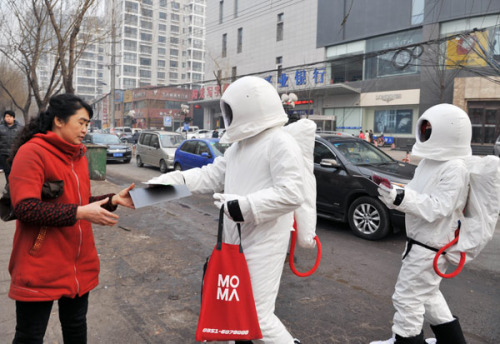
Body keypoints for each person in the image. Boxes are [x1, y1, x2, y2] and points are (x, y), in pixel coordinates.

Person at [147, 76, 306, 344]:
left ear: (249, 107)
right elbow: (208, 176)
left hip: (265, 240)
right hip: (235, 240)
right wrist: (153, 189)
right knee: (233, 310)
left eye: (231, 111)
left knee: (257, 316)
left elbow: (292, 193)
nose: (228, 117)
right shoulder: (239, 147)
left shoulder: (280, 142)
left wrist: (243, 206)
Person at [7, 93, 135, 344]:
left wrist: (112, 200)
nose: (85, 129)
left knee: (76, 328)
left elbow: (79, 203)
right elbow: (25, 208)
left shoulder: (78, 155)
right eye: (81, 122)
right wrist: (79, 212)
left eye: (88, 124)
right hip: (40, 262)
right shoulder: (32, 152)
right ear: (59, 121)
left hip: (78, 262)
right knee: (30, 336)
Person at [372, 104, 471, 344]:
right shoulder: (430, 162)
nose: (424, 133)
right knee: (427, 296)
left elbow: (438, 207)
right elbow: (416, 194)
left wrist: (401, 198)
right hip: (420, 241)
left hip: (431, 246)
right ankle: (452, 341)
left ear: (446, 132)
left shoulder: (455, 168)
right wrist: (395, 193)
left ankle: (405, 340)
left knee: (407, 298)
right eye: (423, 128)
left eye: (429, 129)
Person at [0, 110, 23, 183]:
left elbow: (22, 140)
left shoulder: (20, 128)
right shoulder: (0, 128)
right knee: (7, 171)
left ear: (14, 118)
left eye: (10, 117)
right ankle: (8, 186)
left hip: (15, 153)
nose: (8, 118)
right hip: (4, 153)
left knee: (15, 170)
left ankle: (14, 185)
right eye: (6, 117)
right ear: (4, 118)